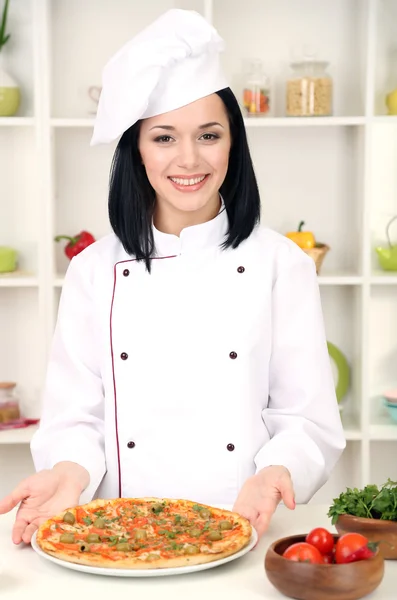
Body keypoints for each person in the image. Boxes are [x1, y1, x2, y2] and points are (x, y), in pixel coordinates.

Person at [0, 9, 345, 546]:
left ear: (235, 143)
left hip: (241, 526)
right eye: (163, 138)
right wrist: (68, 471)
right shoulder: (94, 272)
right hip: (116, 537)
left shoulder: (282, 264)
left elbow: (306, 416)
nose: (189, 159)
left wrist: (279, 469)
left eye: (209, 135)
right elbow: (74, 416)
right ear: (136, 151)